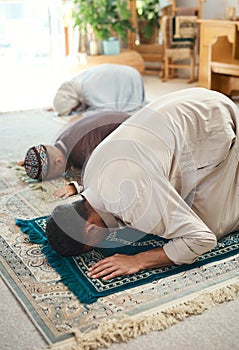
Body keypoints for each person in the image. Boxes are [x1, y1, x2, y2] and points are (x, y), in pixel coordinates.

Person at [46, 87, 239, 281]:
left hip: (212, 121)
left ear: (91, 229)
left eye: (93, 245)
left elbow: (202, 240)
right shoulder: (89, 175)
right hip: (194, 99)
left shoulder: (134, 201)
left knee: (210, 225)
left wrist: (139, 260)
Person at [22, 110, 130, 198]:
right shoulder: (61, 141)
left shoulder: (81, 152)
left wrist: (75, 186)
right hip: (123, 119)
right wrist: (32, 162)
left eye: (55, 175)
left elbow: (101, 172)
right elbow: (46, 155)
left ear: (59, 161)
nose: (61, 175)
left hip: (135, 132)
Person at [53, 64, 147, 116]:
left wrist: (81, 116)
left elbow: (107, 109)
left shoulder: (87, 91)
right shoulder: (78, 81)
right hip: (130, 70)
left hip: (132, 79)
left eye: (72, 110)